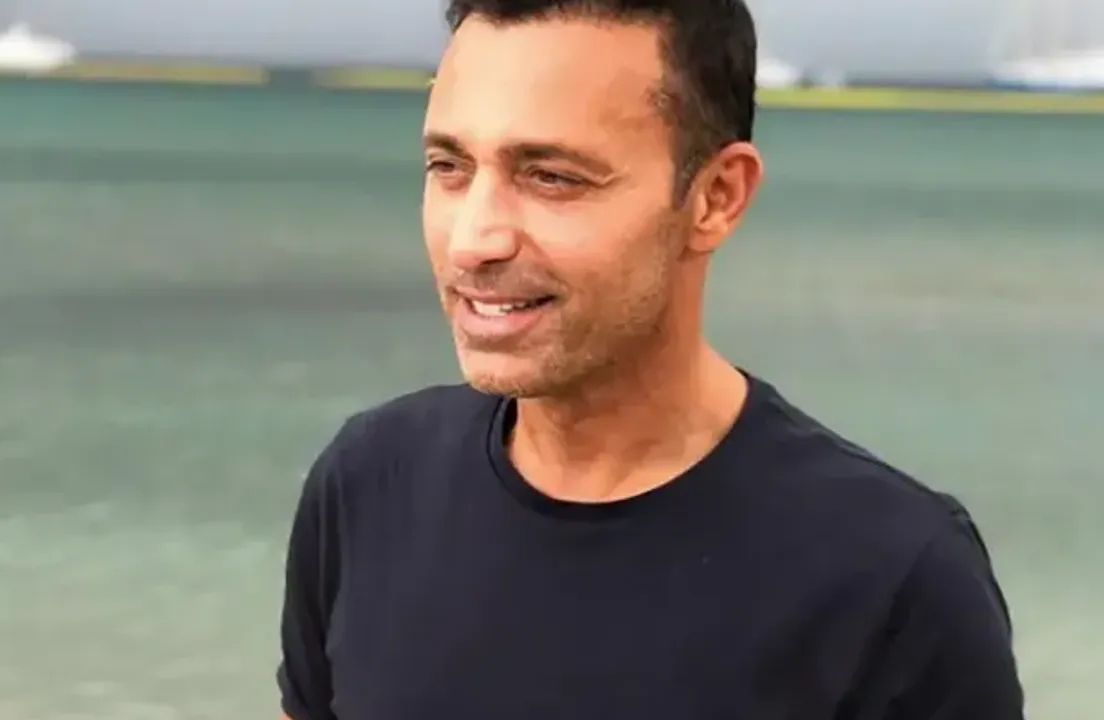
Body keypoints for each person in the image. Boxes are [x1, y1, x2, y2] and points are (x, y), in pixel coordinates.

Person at [276, 0, 1026, 718]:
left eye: (551, 177)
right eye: (449, 166)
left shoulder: (891, 580)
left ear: (716, 198)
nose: (474, 240)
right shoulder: (368, 485)